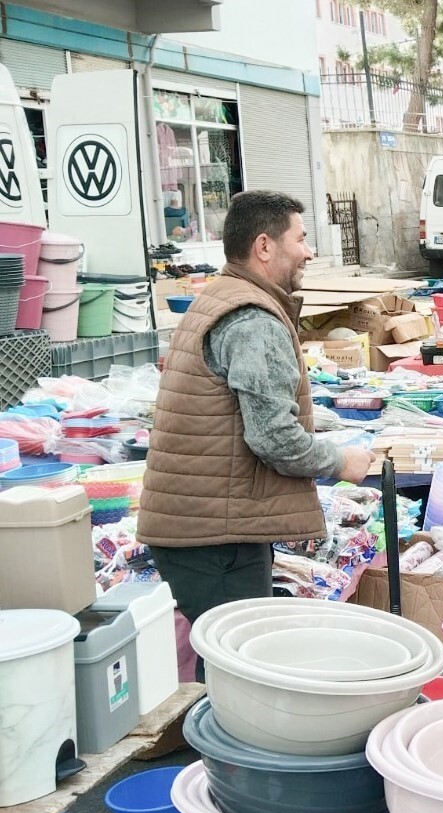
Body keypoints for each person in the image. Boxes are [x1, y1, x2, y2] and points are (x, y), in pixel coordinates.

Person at [138, 191, 376, 675]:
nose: (308, 252)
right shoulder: (252, 319)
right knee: (238, 666)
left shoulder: (224, 297)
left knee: (227, 655)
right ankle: (226, 750)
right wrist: (341, 462)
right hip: (215, 534)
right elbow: (274, 437)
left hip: (205, 524)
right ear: (264, 246)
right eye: (301, 239)